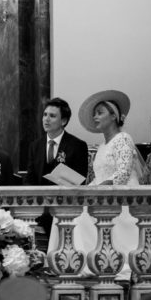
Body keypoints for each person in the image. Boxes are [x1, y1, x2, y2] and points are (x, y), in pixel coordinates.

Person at [75, 90, 151, 278]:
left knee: (83, 216)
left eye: (100, 112)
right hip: (104, 194)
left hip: (125, 197)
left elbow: (123, 173)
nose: (95, 116)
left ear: (114, 116)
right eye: (94, 113)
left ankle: (108, 262)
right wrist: (87, 189)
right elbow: (98, 177)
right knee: (75, 211)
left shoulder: (124, 139)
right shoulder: (101, 147)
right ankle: (85, 262)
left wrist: (101, 189)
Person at [25, 97, 89, 244]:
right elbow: (30, 177)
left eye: (52, 116)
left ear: (63, 121)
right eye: (45, 115)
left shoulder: (77, 145)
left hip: (64, 203)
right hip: (40, 204)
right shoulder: (35, 146)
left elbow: (81, 179)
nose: (46, 119)